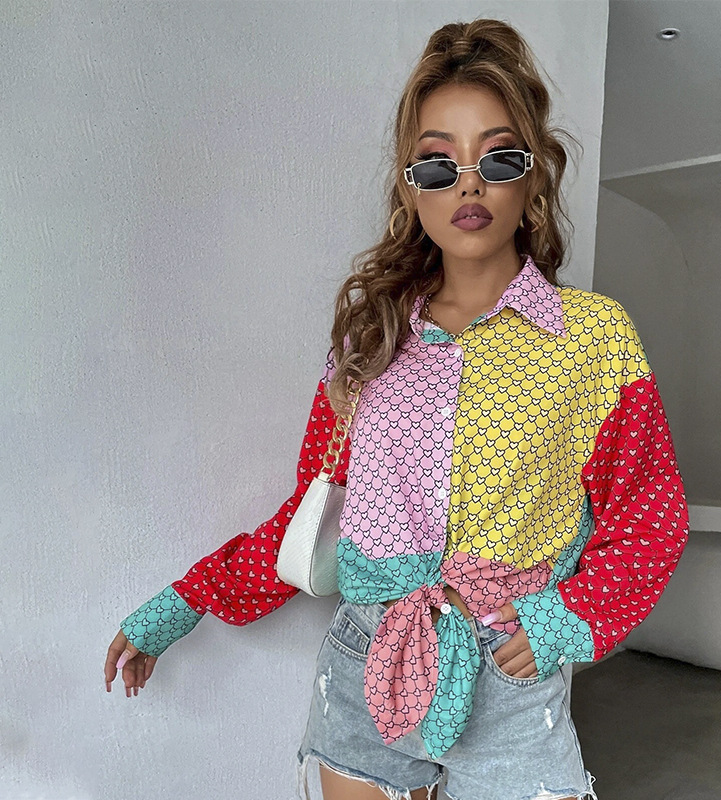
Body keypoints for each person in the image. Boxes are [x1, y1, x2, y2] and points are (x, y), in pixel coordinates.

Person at [104, 18, 690, 800]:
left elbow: (650, 515)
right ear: (411, 189)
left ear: (533, 180)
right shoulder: (369, 340)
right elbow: (314, 514)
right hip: (366, 669)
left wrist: (566, 616)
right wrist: (178, 606)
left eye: (499, 158)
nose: (468, 184)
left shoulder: (593, 341)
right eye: (438, 164)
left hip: (509, 679)